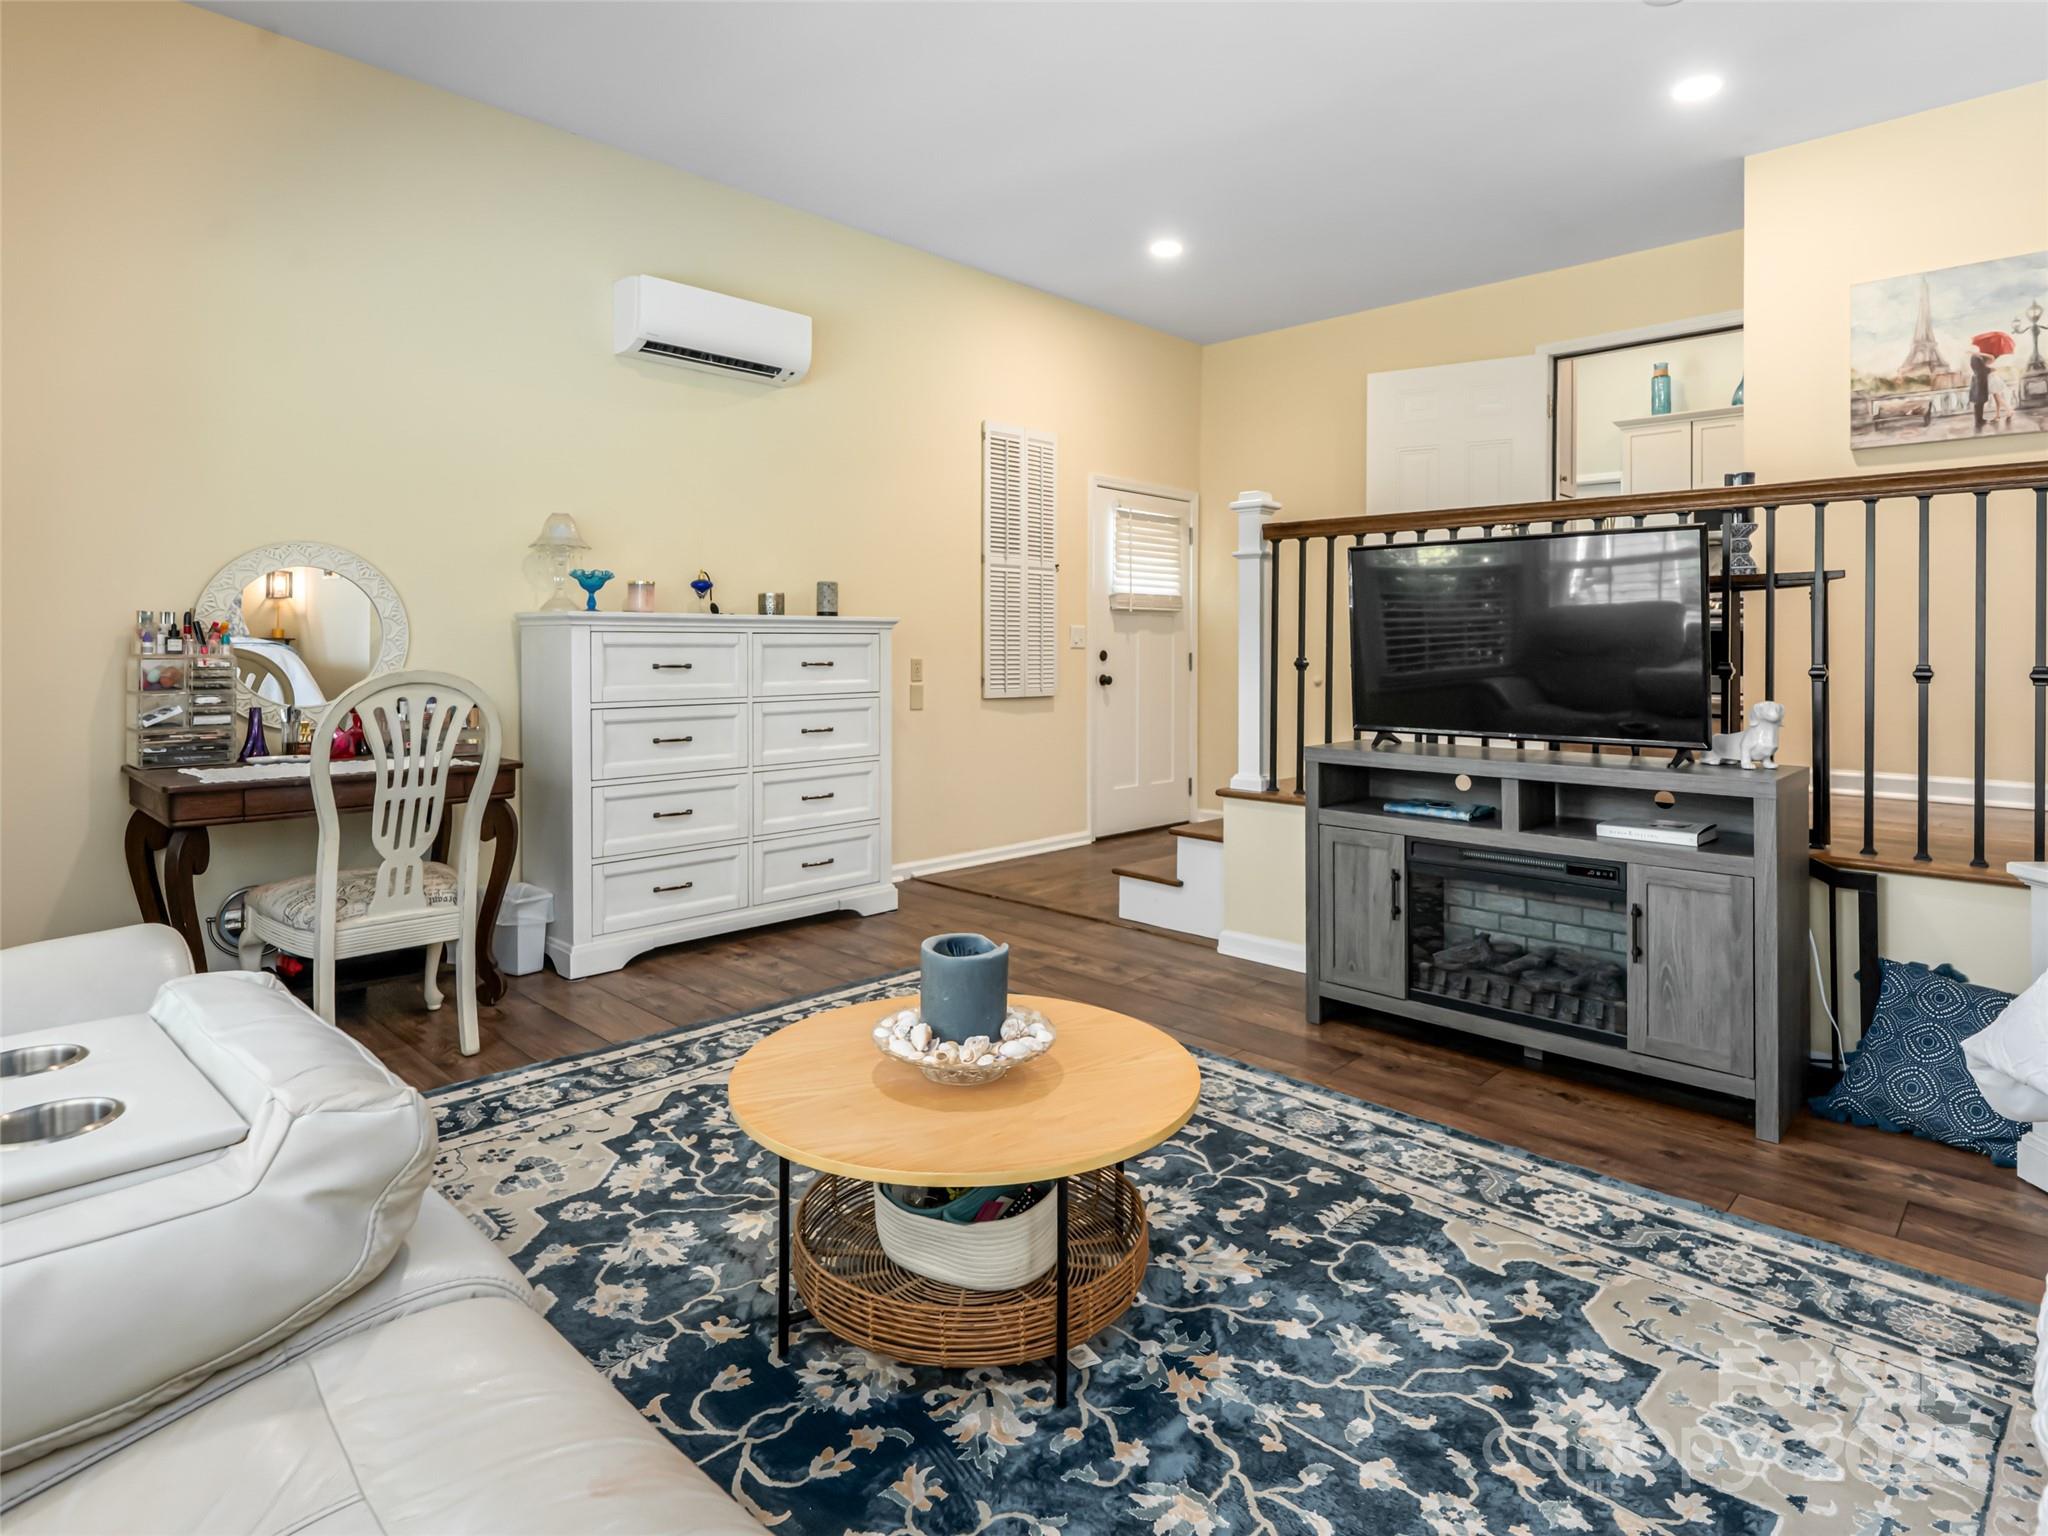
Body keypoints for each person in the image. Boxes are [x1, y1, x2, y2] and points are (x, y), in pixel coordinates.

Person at [1968, 349, 1992, 433]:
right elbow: (1981, 369)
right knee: (1979, 402)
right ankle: (1979, 420)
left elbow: (1981, 368)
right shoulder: (1976, 358)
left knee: (1979, 402)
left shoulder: (1976, 357)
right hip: (1979, 381)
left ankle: (1980, 419)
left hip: (1979, 381)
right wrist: (1990, 370)